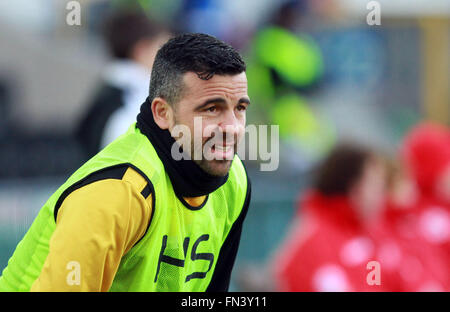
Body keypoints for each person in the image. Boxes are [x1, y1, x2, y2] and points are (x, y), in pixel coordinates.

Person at [0, 33, 252, 292]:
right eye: (211, 109)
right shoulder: (117, 192)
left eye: (240, 108)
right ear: (162, 113)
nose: (232, 127)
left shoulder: (235, 179)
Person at [272, 143, 388, 291]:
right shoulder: (311, 236)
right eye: (374, 185)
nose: (382, 196)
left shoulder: (367, 236)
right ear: (352, 188)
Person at [76, 10, 171, 159]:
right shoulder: (132, 103)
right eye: (163, 49)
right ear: (141, 50)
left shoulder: (112, 91)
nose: (170, 61)